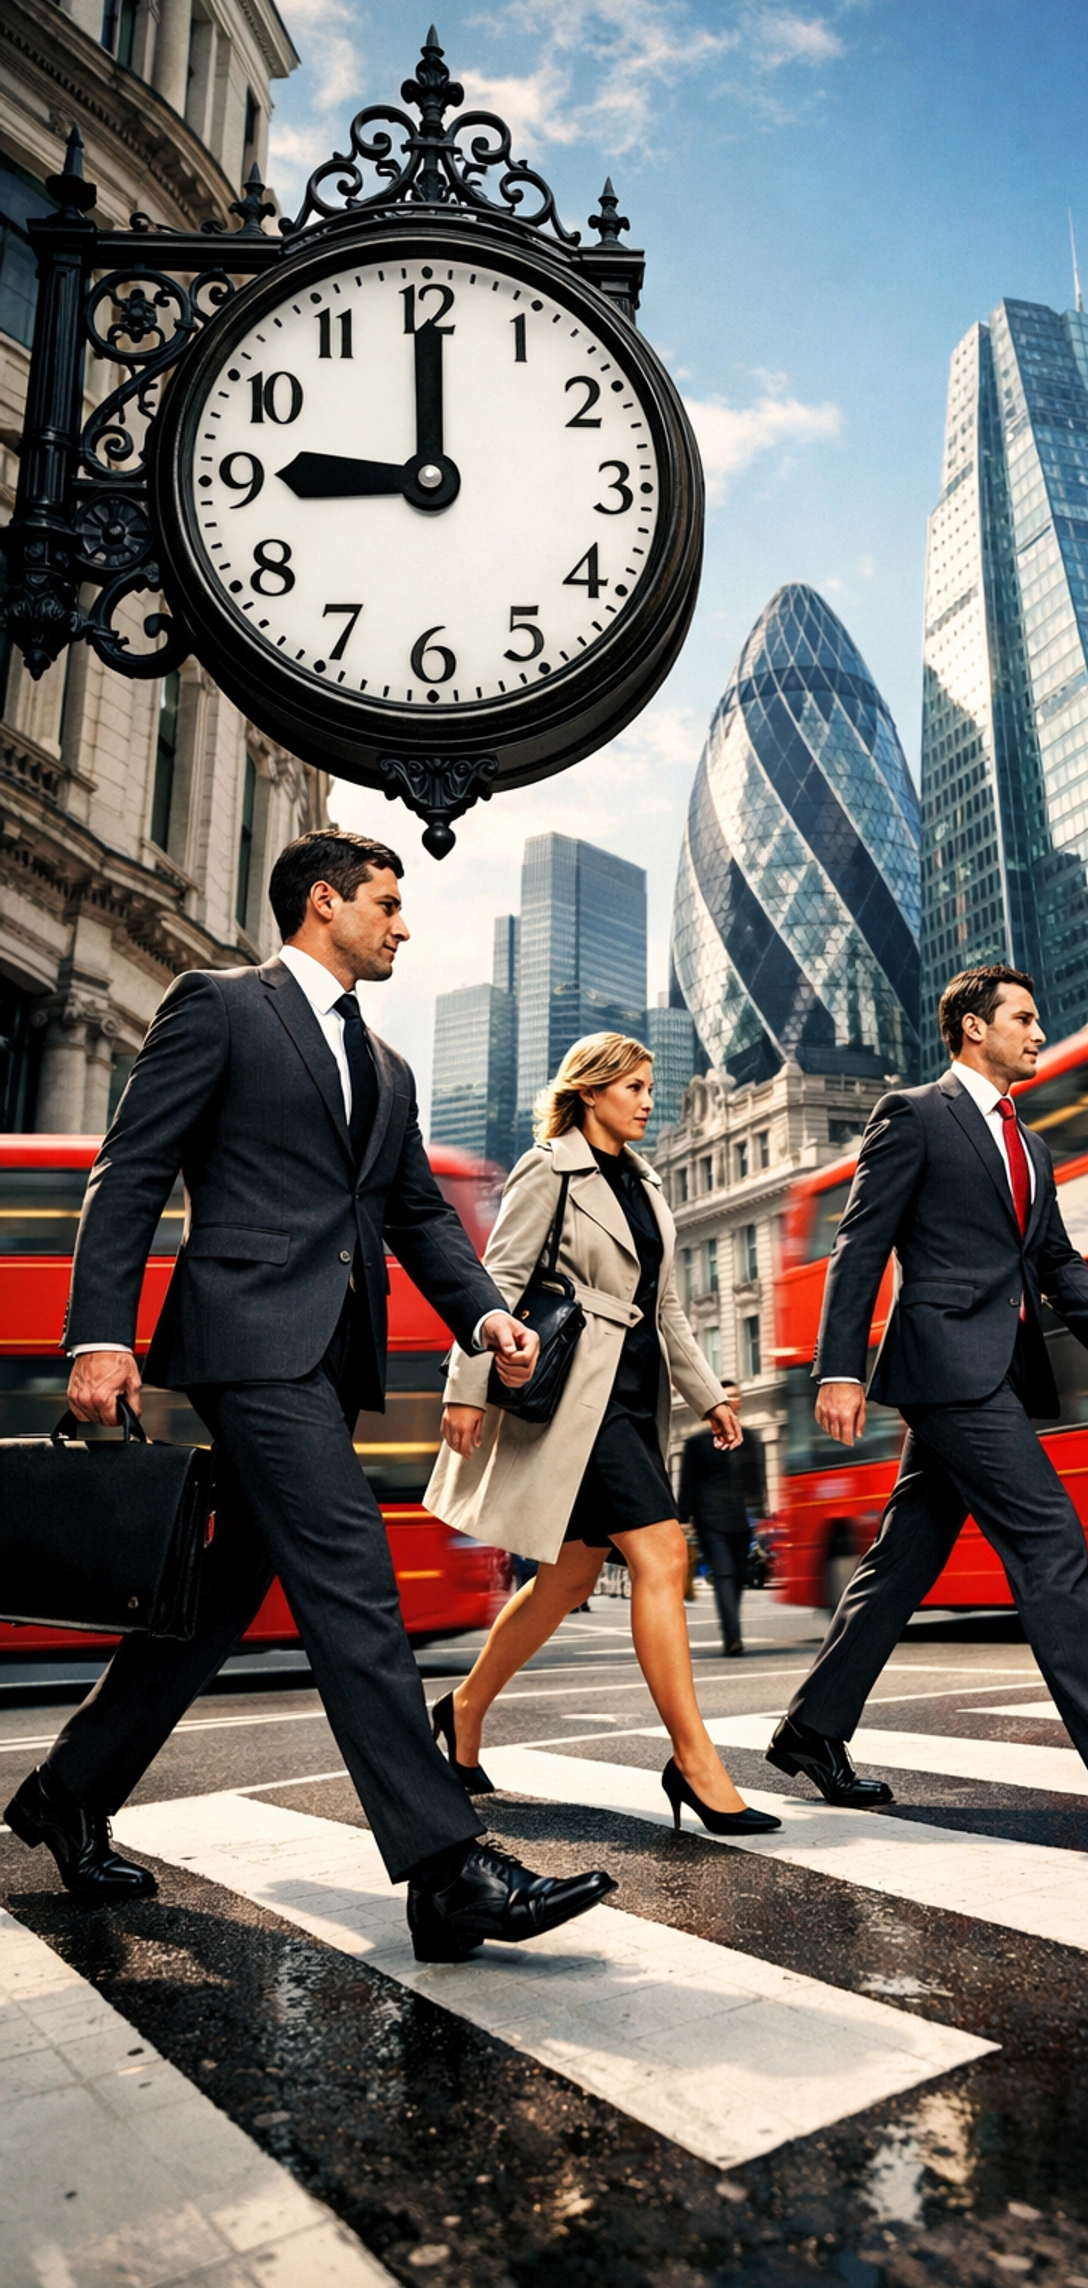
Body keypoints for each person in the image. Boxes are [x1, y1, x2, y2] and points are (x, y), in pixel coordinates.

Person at [4, 830, 615, 1964]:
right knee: (350, 1572)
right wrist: (98, 1334)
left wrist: (484, 1314)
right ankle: (445, 1868)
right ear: (323, 903)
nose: (403, 924)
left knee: (221, 1594)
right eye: (386, 903)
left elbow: (418, 1214)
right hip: (246, 1340)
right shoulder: (221, 1006)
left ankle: (67, 1793)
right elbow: (131, 1169)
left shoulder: (386, 1066)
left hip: (331, 1358)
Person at [773, 963, 1088, 1847]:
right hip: (945, 1363)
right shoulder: (915, 1114)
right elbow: (858, 1243)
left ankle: (810, 1730)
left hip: (998, 1368)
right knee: (1049, 1539)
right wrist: (837, 1367)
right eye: (1024, 1018)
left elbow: (1057, 1263)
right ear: (971, 1028)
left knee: (901, 1564)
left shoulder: (1030, 1146)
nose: (1041, 1032)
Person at [426, 1034, 782, 1839]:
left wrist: (709, 1397)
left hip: (633, 1396)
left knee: (565, 1579)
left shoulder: (647, 1185)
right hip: (574, 1402)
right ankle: (694, 1762)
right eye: (633, 1086)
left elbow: (665, 1308)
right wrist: (467, 1387)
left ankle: (463, 1711)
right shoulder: (549, 1168)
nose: (648, 1100)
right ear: (590, 1092)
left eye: (652, 1087)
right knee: (662, 1553)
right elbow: (499, 1281)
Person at [678, 1382, 767, 1655]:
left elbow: (758, 1480)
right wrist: (682, 1518)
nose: (732, 1400)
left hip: (741, 1518)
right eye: (726, 1396)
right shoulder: (697, 1443)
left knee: (738, 1574)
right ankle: (732, 1636)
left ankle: (732, 1629)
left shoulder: (750, 1438)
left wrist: (762, 1512)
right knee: (726, 1574)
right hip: (710, 1519)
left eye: (735, 1395)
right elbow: (688, 1482)